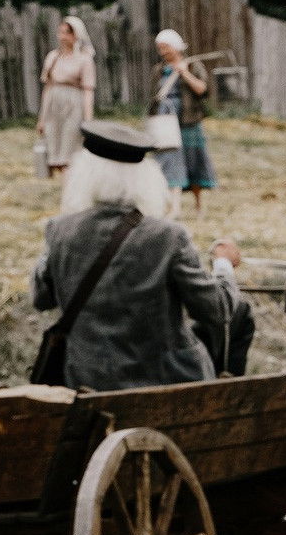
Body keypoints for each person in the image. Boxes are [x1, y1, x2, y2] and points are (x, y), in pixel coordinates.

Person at [33, 122, 244, 392]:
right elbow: (218, 309)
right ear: (146, 179)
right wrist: (223, 264)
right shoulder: (168, 236)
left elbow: (40, 298)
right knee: (241, 318)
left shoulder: (59, 230)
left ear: (84, 174)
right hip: (168, 384)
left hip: (88, 382)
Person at [152, 29, 218, 214]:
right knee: (170, 159)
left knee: (193, 159)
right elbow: (154, 97)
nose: (163, 52)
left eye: (166, 47)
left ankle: (198, 205)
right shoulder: (158, 70)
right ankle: (174, 206)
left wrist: (184, 73)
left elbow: (203, 90)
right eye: (160, 48)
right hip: (166, 121)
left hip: (188, 120)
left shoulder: (193, 65)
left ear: (176, 46)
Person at [37, 16, 96, 178]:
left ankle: (71, 192)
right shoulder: (53, 57)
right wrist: (42, 117)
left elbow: (88, 90)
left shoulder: (84, 59)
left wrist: (88, 121)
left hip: (74, 106)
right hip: (54, 107)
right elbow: (47, 88)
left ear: (76, 35)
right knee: (54, 151)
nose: (62, 37)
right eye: (60, 32)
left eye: (67, 33)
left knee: (70, 152)